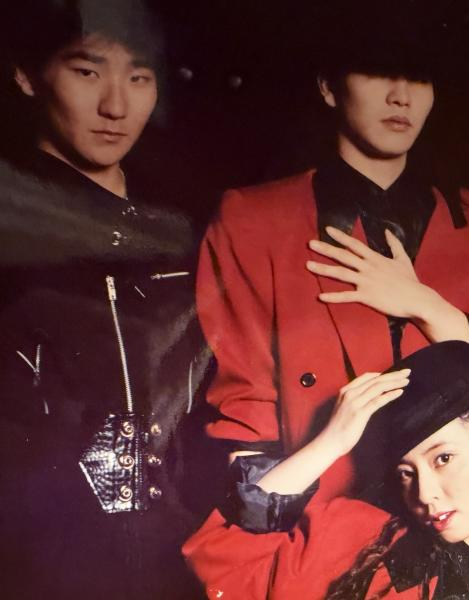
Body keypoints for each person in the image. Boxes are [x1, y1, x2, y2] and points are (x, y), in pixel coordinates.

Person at [196, 4, 469, 502]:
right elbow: (246, 413)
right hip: (322, 511)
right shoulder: (255, 219)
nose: (401, 96)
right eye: (378, 72)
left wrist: (425, 305)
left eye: (418, 77)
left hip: (458, 508)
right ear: (329, 87)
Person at [0, 1, 217, 597]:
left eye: (139, 77)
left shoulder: (185, 232)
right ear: (26, 75)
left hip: (187, 560)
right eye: (87, 72)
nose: (116, 107)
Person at [184, 341, 469, 599]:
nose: (424, 494)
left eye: (443, 458)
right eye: (406, 472)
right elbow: (224, 568)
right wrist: (330, 443)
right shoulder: (372, 545)